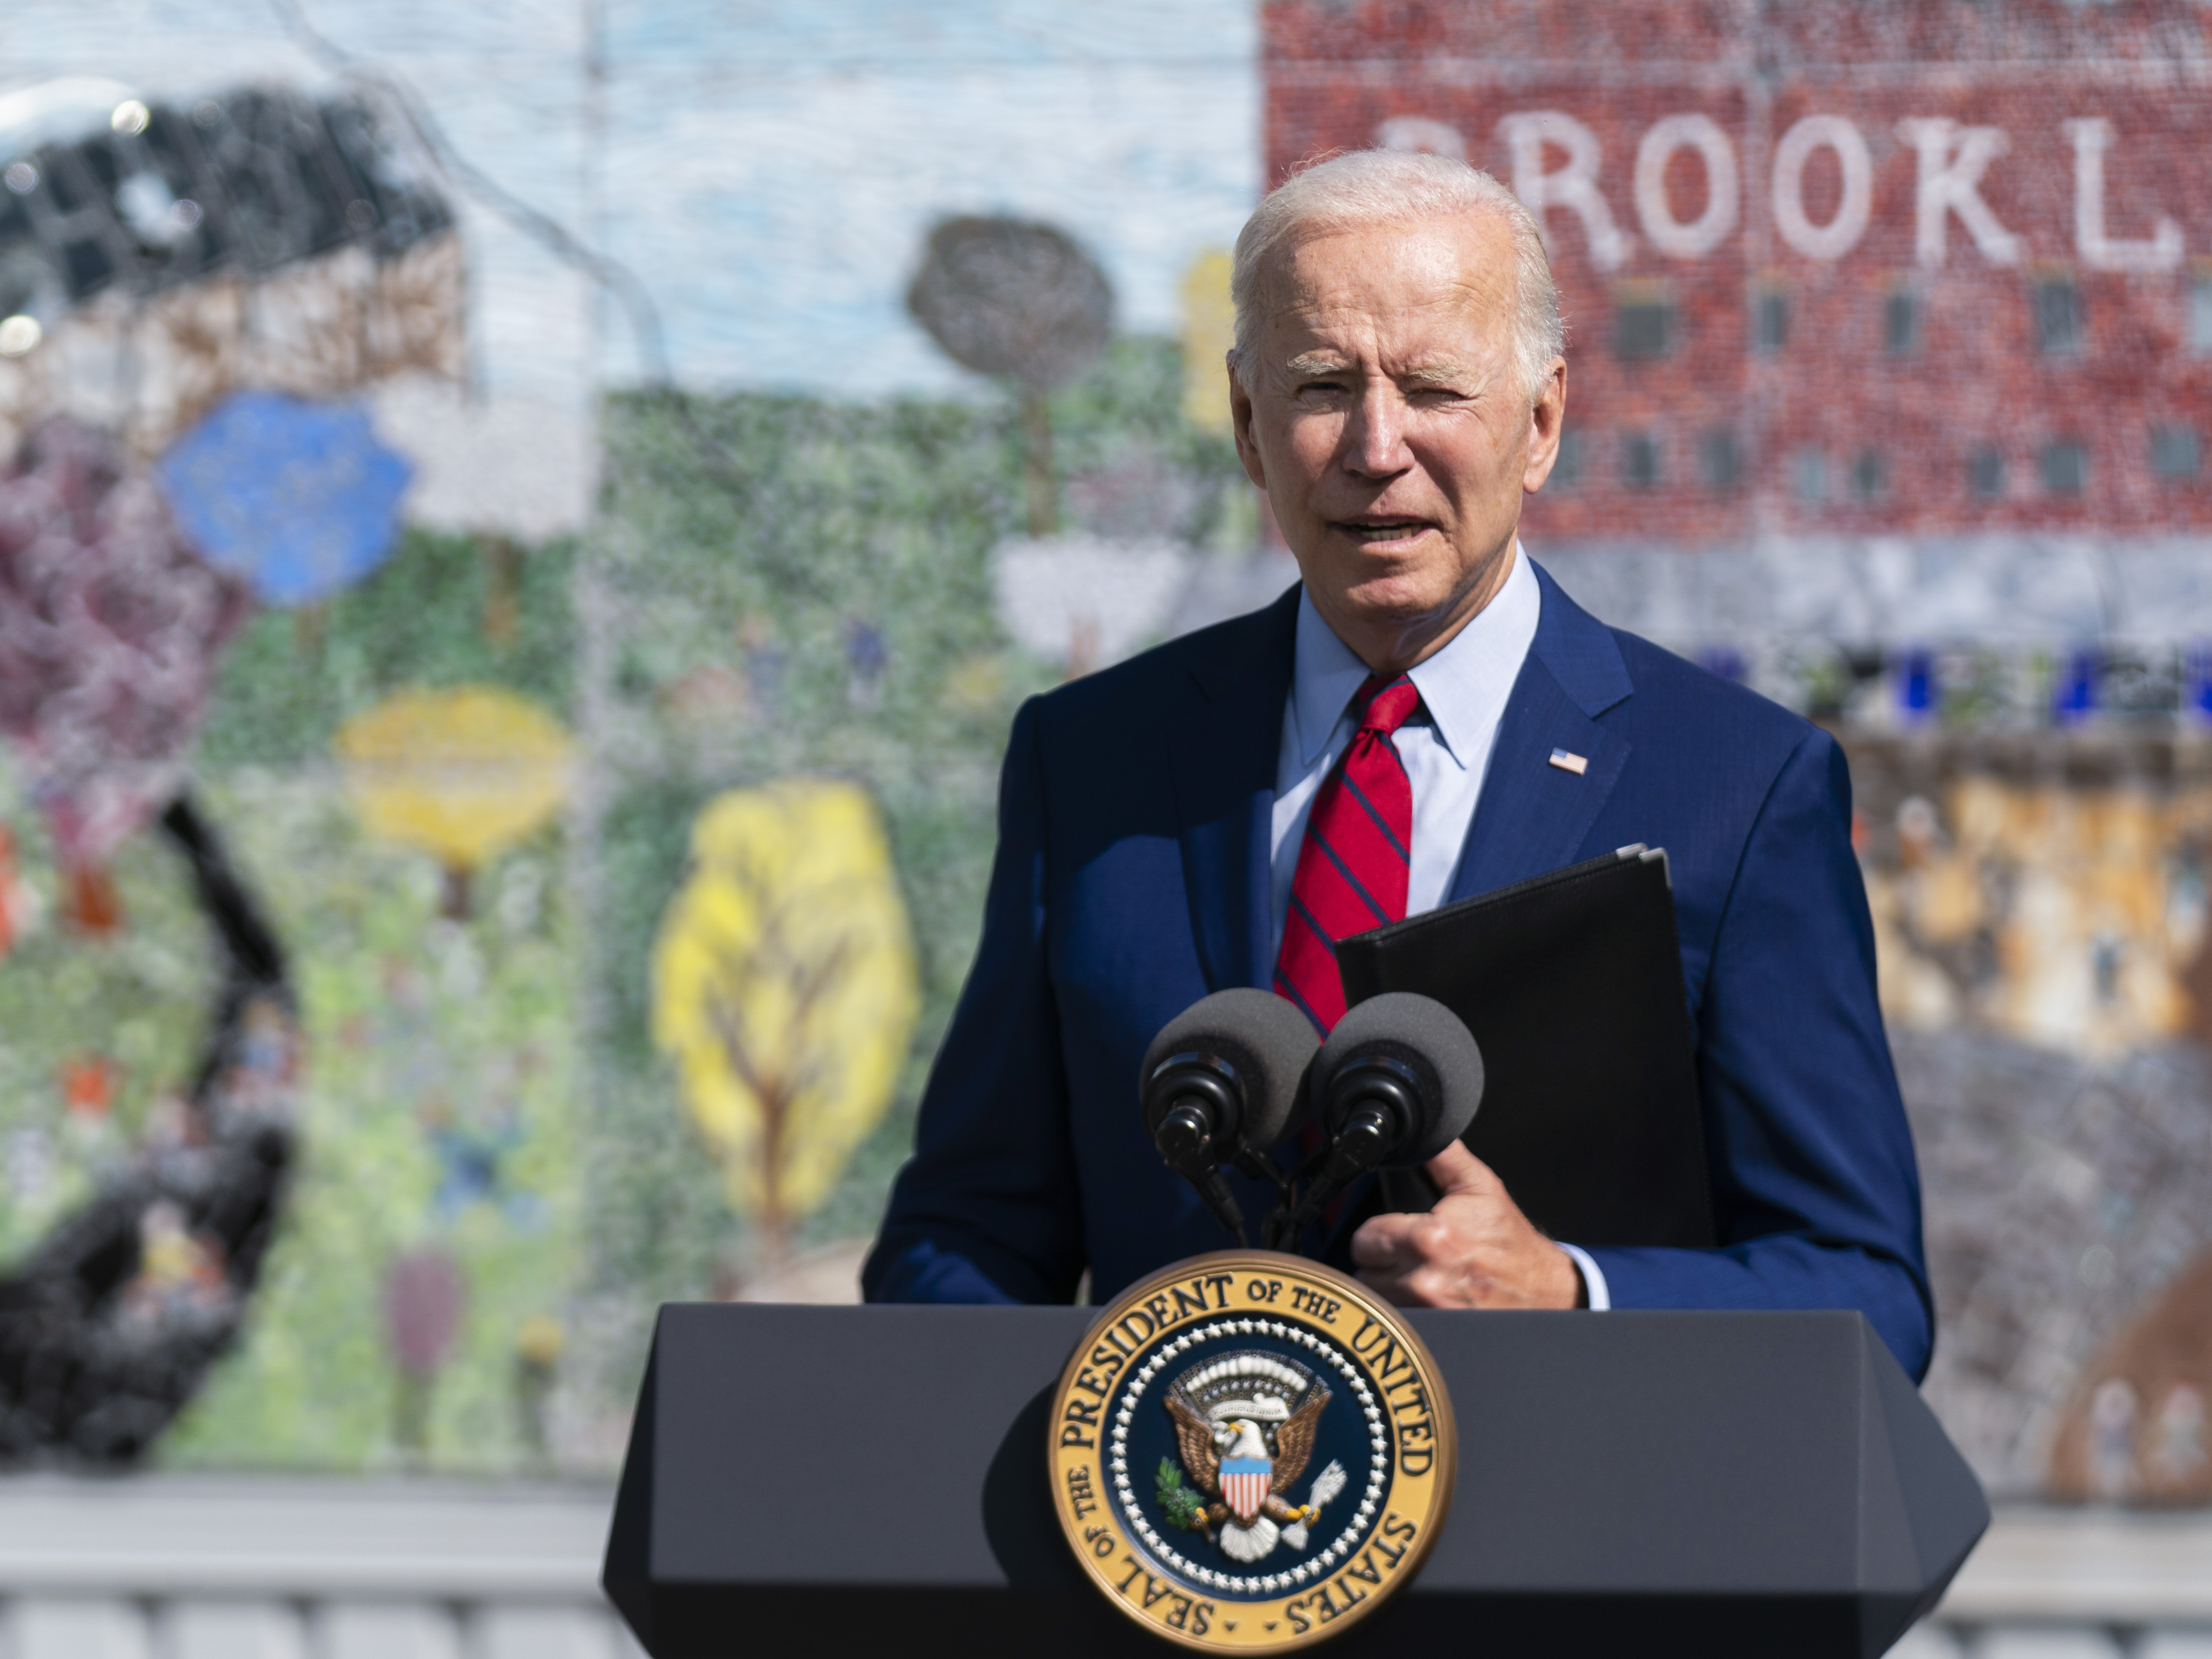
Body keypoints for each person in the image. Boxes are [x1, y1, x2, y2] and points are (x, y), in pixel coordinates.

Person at [863, 149, 1931, 1379]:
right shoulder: (1091, 759)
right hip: (1180, 1533)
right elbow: (965, 1236)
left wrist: (1570, 1295)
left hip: (1557, 1540)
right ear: (1248, 429)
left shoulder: (1736, 789)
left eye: (1432, 388)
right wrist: (1097, 1432)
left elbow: (1866, 1297)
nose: (1377, 447)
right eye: (1322, 387)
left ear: (1539, 423)